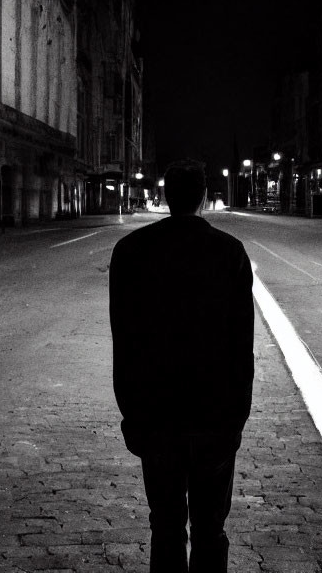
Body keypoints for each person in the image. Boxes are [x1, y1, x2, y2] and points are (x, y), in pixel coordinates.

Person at [110, 159, 254, 573]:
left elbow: (125, 341)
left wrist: (132, 415)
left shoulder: (131, 252)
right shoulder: (230, 253)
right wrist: (236, 419)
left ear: (167, 196)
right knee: (210, 530)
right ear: (204, 198)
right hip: (213, 417)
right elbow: (240, 346)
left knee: (167, 528)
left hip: (156, 417)